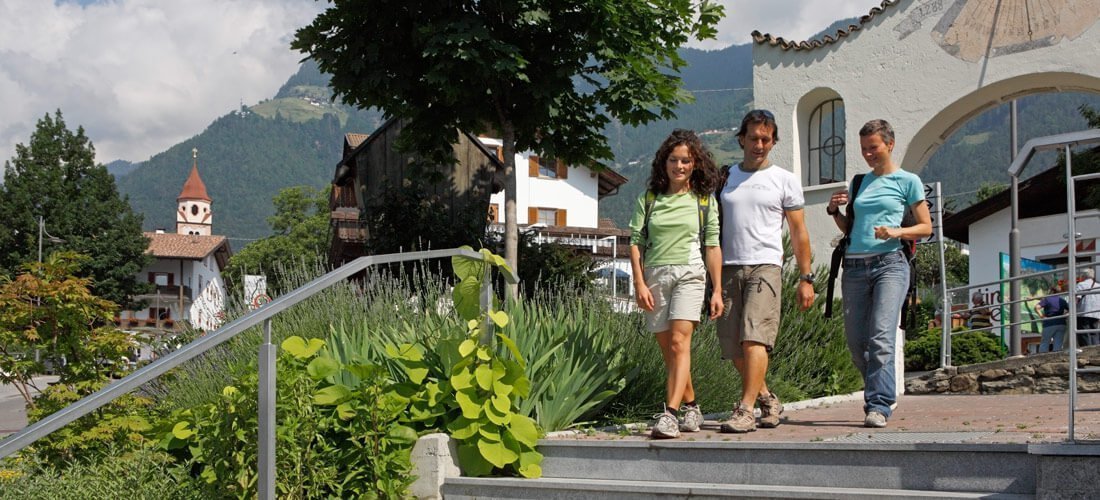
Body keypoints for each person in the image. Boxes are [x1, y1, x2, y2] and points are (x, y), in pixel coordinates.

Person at [715, 109, 815, 433]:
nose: (759, 144)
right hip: (729, 267)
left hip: (766, 265)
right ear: (741, 139)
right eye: (754, 138)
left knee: (754, 337)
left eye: (766, 139)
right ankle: (768, 397)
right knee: (733, 346)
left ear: (773, 142)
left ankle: (745, 410)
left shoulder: (784, 180)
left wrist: (805, 277)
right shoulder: (725, 177)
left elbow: (799, 232)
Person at [827, 119, 931, 429]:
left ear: (890, 144)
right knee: (857, 342)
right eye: (864, 149)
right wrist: (835, 212)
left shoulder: (908, 181)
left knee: (881, 337)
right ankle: (881, 388)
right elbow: (851, 229)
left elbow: (926, 227)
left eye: (873, 147)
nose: (869, 154)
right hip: (855, 266)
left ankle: (879, 404)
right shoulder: (859, 183)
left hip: (890, 264)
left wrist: (897, 231)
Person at [628, 129, 723, 439]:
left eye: (685, 160)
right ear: (663, 162)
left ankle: (669, 415)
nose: (679, 166)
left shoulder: (704, 201)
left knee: (681, 343)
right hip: (655, 276)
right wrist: (639, 283)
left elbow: (712, 245)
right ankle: (692, 406)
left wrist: (717, 290)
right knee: (670, 350)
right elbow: (636, 242)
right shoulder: (649, 199)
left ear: (695, 163)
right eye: (673, 160)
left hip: (690, 274)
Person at [1036, 284, 1069, 352]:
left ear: (1051, 291)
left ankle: (1042, 359)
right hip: (1061, 323)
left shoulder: (1047, 299)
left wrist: (1042, 316)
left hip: (1049, 323)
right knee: (1058, 343)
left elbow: (1036, 307)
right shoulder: (1062, 300)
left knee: (1045, 342)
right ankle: (1057, 358)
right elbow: (1070, 310)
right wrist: (1064, 315)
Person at [1076, 268, 1100, 346]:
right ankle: (1095, 351)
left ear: (1083, 276)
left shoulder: (1081, 285)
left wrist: (1070, 309)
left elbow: (1076, 299)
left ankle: (1087, 351)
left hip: (1083, 312)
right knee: (1094, 332)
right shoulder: (1098, 285)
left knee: (1084, 333)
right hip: (1096, 313)